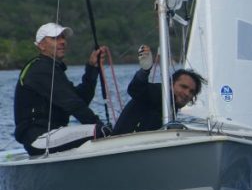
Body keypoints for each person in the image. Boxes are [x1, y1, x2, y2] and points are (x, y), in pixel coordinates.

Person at [14, 22, 110, 155]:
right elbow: (73, 104)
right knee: (101, 131)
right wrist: (104, 128)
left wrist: (92, 68)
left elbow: (80, 100)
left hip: (53, 134)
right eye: (55, 38)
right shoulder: (41, 69)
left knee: (101, 130)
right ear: (41, 45)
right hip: (38, 138)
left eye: (63, 38)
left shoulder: (53, 69)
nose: (62, 42)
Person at [112, 45, 204, 134]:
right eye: (183, 87)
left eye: (192, 91)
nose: (187, 93)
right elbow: (136, 89)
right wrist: (145, 71)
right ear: (171, 84)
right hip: (124, 144)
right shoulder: (160, 93)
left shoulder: (172, 107)